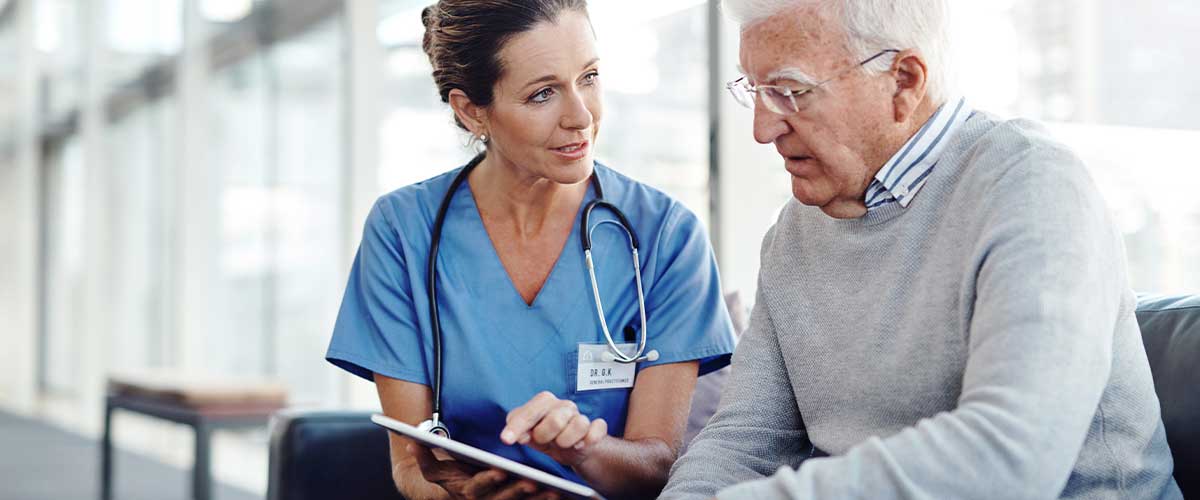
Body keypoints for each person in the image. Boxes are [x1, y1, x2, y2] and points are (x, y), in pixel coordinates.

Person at [660, 1, 1182, 499]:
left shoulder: (1033, 185)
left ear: (903, 82)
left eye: (790, 91)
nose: (762, 128)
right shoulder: (793, 235)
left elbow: (1011, 457)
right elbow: (743, 440)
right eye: (753, 90)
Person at [325, 1, 737, 499]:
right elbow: (411, 467)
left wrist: (581, 450)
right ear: (471, 110)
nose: (581, 116)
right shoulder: (402, 232)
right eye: (543, 94)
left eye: (589, 77)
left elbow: (658, 467)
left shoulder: (665, 236)